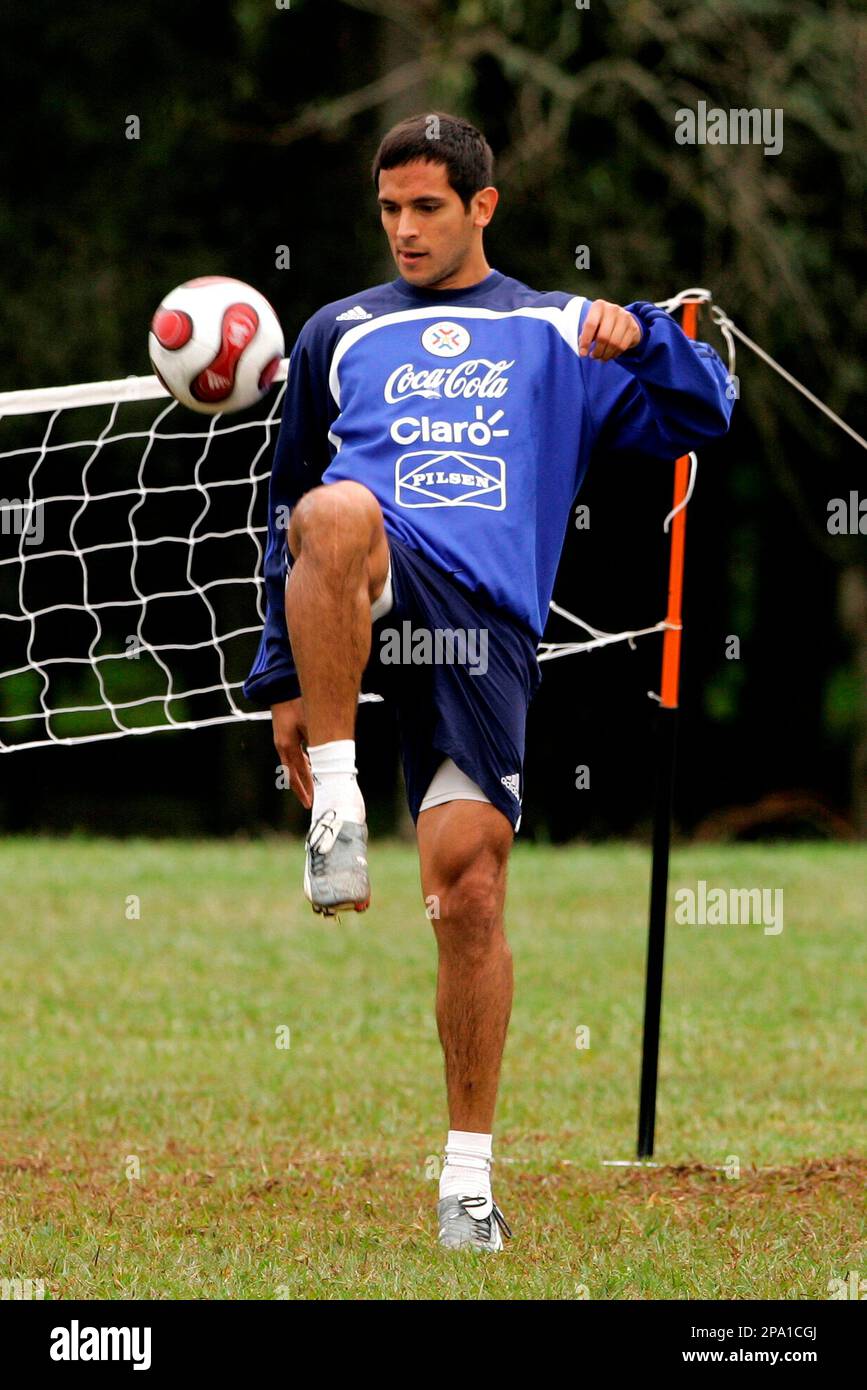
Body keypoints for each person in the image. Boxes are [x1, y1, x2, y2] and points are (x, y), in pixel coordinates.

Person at [244, 112, 733, 1251]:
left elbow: (706, 414)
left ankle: (467, 1181)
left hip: (488, 627)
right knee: (335, 507)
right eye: (388, 210)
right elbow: (287, 504)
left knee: (465, 892)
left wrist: (645, 337)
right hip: (370, 567)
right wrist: (282, 677)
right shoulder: (339, 330)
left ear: (483, 207)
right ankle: (340, 801)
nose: (404, 231)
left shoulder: (563, 330)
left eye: (426, 208)